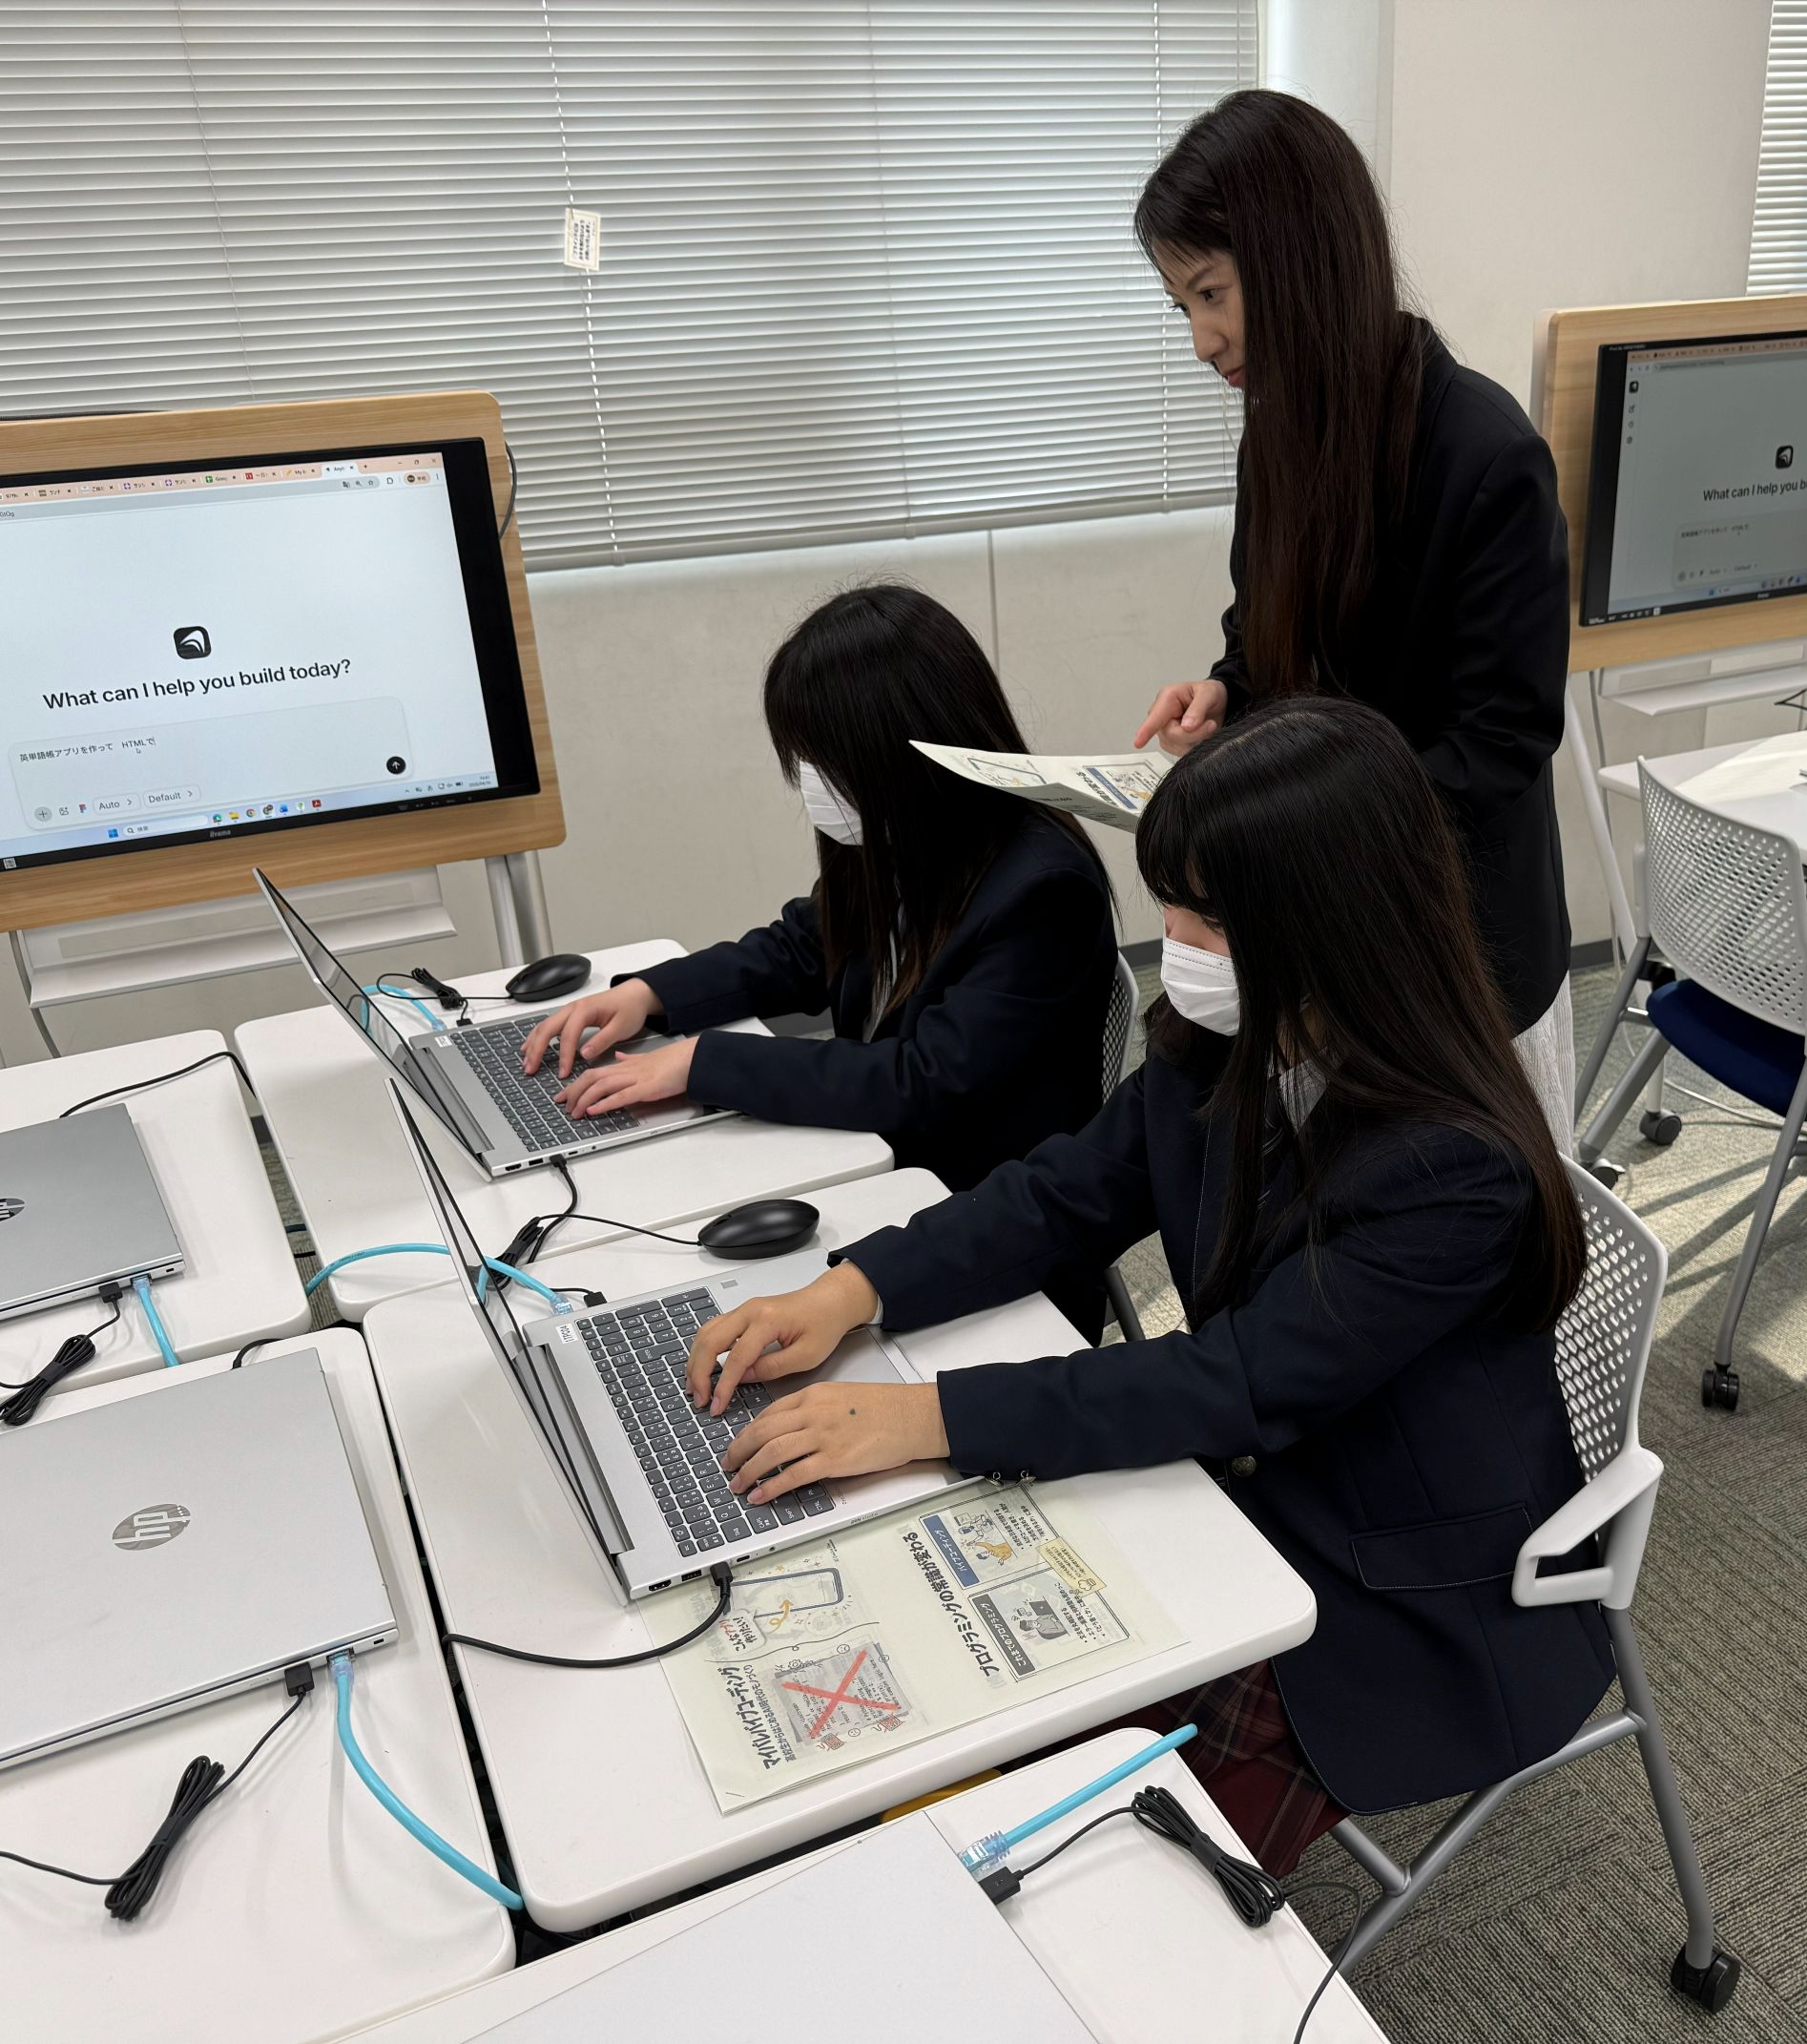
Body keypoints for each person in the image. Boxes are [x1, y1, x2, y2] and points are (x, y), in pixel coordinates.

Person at [681, 697, 1610, 1876]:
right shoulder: (1235, 1037)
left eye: (1208, 916)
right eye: (1168, 900)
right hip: (1247, 1486)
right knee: (937, 1707)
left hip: (1399, 1592)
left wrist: (928, 1417)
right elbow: (1062, 1192)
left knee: (1056, 1849)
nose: (1173, 940)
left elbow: (1235, 1379)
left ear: (1332, 921)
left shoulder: (1451, 1167)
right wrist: (854, 1289)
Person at [1128, 89, 1580, 1115]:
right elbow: (1263, 638)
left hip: (1457, 951)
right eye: (1183, 307)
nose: (1202, 340)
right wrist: (1226, 693)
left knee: (1461, 1204)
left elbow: (1499, 746)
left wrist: (1310, 820)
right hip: (1323, 929)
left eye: (1211, 294)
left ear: (1299, 254)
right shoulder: (1278, 433)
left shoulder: (1484, 454)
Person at [521, 582, 1118, 1212]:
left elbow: (925, 1081)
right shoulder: (907, 829)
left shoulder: (1044, 890)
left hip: (976, 1200)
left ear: (897, 755)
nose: (810, 780)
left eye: (824, 759)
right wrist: (650, 995)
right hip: (883, 1151)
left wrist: (704, 1062)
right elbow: (805, 946)